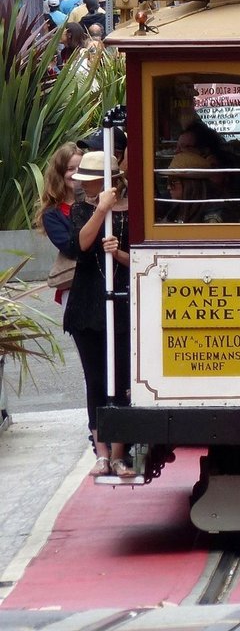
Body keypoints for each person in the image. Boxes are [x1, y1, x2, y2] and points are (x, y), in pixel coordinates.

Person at [64, 149, 133, 478]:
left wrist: (117, 252)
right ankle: (101, 452)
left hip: (122, 302)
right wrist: (101, 208)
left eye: (89, 182)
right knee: (95, 379)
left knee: (121, 378)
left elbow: (143, 259)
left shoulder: (134, 210)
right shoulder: (82, 208)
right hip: (88, 304)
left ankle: (120, 452)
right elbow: (81, 245)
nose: (85, 187)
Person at [33, 142, 82, 305]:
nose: (76, 173)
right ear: (59, 173)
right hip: (75, 287)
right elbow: (71, 247)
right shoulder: (52, 214)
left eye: (81, 168)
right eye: (70, 169)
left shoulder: (101, 200)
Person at [161, 151, 225, 224]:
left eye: (172, 182)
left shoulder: (213, 212)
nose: (168, 187)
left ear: (191, 184)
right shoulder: (179, 206)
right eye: (168, 182)